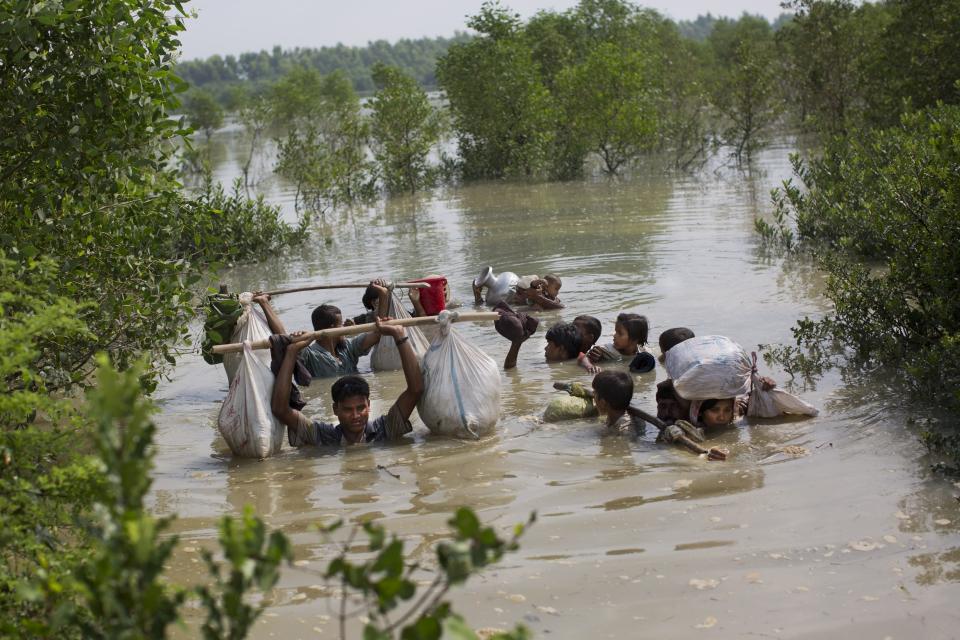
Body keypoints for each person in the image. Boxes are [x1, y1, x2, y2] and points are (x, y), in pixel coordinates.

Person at [271, 317, 423, 446]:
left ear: (369, 405)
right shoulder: (323, 437)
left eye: (361, 408)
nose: (356, 415)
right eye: (348, 410)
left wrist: (400, 336)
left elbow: (415, 390)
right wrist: (291, 352)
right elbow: (280, 410)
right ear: (335, 409)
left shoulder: (386, 429)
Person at [299, 302, 384, 378]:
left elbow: (377, 334)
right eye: (341, 324)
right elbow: (290, 350)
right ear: (332, 328)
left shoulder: (348, 347)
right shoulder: (310, 355)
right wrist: (298, 337)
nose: (344, 328)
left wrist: (383, 295)